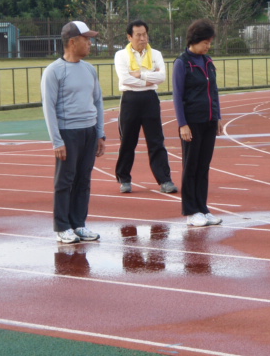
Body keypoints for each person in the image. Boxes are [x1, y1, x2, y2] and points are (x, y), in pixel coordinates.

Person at [41, 21, 106, 243]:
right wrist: (56, 141)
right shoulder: (54, 71)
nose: (90, 43)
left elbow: (98, 102)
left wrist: (100, 133)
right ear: (72, 42)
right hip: (68, 133)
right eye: (86, 39)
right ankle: (62, 226)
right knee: (65, 180)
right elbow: (48, 108)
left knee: (83, 180)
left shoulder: (89, 69)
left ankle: (79, 224)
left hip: (88, 131)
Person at [114, 20, 177, 195]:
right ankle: (124, 178)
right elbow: (125, 79)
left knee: (156, 141)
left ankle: (165, 180)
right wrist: (149, 79)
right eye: (138, 35)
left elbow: (162, 77)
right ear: (129, 37)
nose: (143, 38)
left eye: (145, 34)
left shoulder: (155, 54)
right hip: (130, 99)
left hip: (150, 99)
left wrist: (140, 74)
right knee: (128, 141)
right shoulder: (121, 55)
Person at [173, 19, 223, 227]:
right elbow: (177, 95)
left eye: (210, 42)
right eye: (205, 42)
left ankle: (203, 208)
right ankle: (191, 210)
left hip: (209, 121)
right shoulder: (182, 63)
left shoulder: (208, 61)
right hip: (192, 123)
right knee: (191, 166)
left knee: (203, 166)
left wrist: (218, 117)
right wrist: (182, 124)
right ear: (195, 40)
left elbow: (214, 91)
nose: (208, 46)